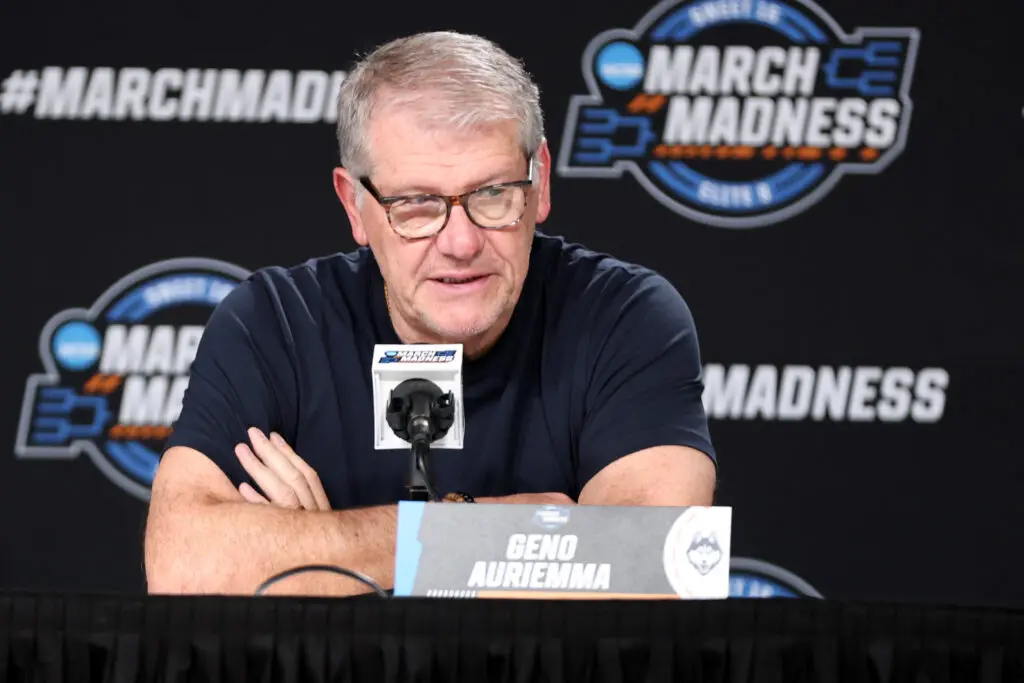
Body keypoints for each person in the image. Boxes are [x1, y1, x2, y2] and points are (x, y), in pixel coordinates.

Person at [144, 31, 717, 596]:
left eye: (492, 194)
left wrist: (321, 553)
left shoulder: (624, 317)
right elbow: (183, 567)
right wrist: (481, 532)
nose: (461, 243)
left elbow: (658, 567)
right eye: (416, 205)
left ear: (539, 182)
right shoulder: (276, 325)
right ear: (355, 206)